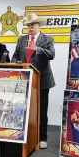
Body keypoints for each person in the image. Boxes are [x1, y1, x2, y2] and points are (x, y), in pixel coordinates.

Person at [11, 13, 55, 149]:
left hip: (42, 80)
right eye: (28, 25)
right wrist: (15, 65)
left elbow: (52, 55)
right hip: (25, 80)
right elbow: (15, 56)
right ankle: (26, 134)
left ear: (38, 25)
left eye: (32, 24)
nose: (30, 27)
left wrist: (38, 49)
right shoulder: (21, 40)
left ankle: (43, 137)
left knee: (41, 110)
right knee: (24, 109)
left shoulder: (47, 39)